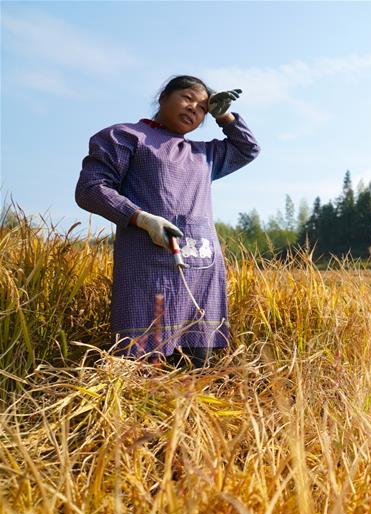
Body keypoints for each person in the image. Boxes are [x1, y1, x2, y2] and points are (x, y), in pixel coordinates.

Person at [75, 75, 260, 368]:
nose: (193, 109)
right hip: (148, 271)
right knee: (145, 370)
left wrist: (224, 115)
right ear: (163, 97)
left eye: (202, 108)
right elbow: (90, 189)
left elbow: (247, 149)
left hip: (201, 274)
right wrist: (141, 218)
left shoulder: (203, 154)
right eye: (187, 98)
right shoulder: (125, 137)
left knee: (197, 374)